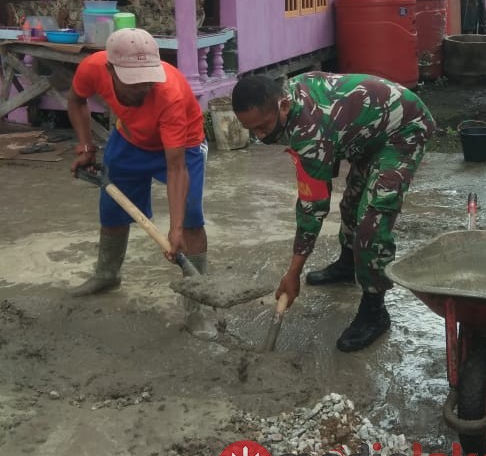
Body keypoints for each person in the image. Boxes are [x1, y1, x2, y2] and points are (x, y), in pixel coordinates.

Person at [231, 71, 435, 352]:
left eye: (263, 127)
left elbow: (312, 205)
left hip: (403, 130)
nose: (259, 135)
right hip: (368, 132)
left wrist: (293, 272)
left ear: (284, 106)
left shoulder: (309, 129)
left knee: (371, 223)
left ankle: (375, 310)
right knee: (352, 203)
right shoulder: (285, 100)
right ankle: (349, 264)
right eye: (251, 129)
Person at [67, 27, 210, 332]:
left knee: (192, 221)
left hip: (182, 147)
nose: (141, 90)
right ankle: (107, 274)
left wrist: (175, 228)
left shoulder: (168, 93)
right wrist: (85, 147)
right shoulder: (92, 68)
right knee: (112, 209)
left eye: (146, 81)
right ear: (110, 70)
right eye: (133, 84)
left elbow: (176, 168)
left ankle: (196, 307)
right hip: (130, 139)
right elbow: (76, 100)